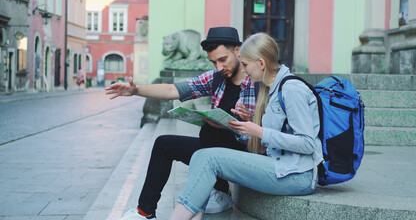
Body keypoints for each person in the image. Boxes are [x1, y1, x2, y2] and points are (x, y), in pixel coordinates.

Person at [105, 27, 258, 220]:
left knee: (215, 135)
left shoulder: (256, 81)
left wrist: (248, 122)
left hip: (244, 156)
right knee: (164, 144)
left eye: (223, 60)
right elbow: (172, 90)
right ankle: (145, 212)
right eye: (213, 62)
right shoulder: (216, 78)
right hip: (214, 152)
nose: (219, 67)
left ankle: (221, 190)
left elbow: (270, 132)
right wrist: (136, 91)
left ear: (238, 50)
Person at [168, 33, 324, 220]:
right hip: (280, 165)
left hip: (298, 175)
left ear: (261, 63)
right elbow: (272, 136)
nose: (243, 71)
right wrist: (245, 124)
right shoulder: (270, 88)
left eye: (245, 64)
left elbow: (308, 144)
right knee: (200, 155)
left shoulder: (291, 89)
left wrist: (259, 131)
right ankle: (192, 214)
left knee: (209, 158)